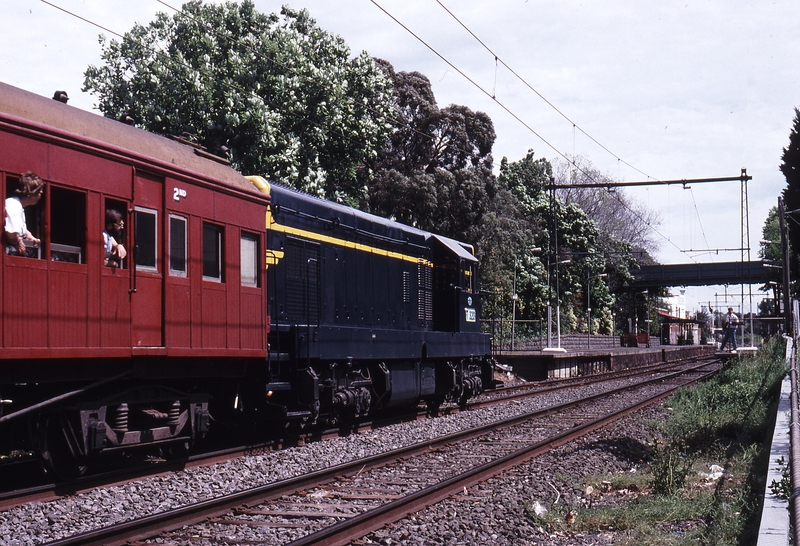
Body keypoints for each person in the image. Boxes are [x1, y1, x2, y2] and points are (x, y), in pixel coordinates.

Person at [4, 171, 44, 256]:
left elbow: (21, 228)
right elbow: (11, 233)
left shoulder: (19, 206)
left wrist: (31, 237)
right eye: (39, 191)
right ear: (31, 193)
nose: (41, 194)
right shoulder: (14, 205)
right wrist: (17, 242)